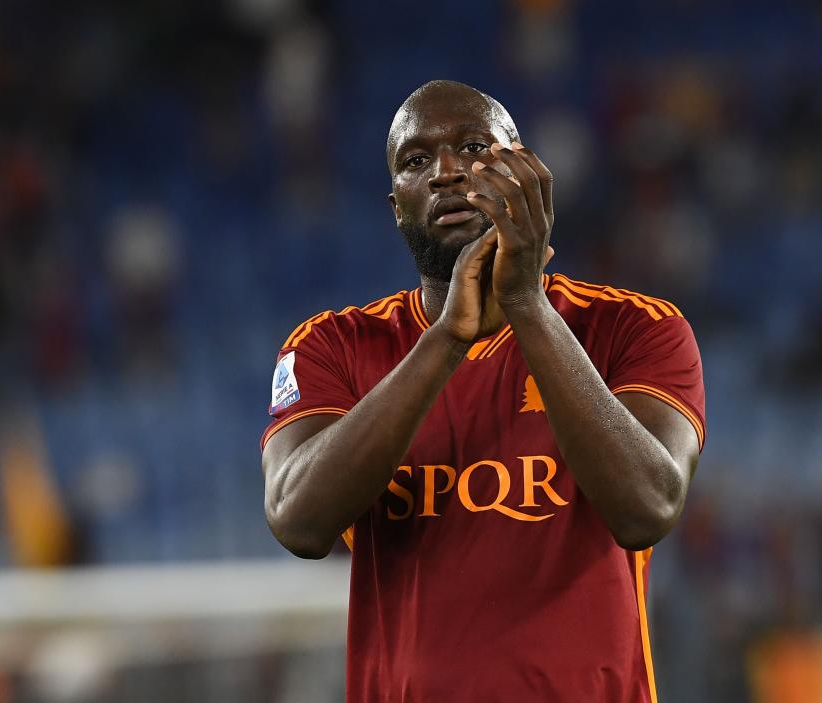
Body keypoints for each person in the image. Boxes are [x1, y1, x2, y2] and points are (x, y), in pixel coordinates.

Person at [261, 80, 705, 703]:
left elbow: (647, 508)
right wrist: (446, 341)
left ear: (527, 177)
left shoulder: (635, 329)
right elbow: (297, 521)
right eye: (416, 161)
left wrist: (525, 302)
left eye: (472, 148)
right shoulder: (332, 346)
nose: (445, 172)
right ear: (396, 205)